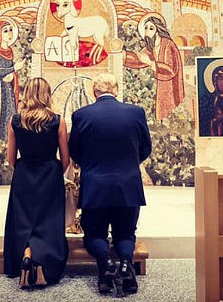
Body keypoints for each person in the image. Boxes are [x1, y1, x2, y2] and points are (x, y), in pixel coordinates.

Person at [69, 73, 152, 295]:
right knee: (125, 233)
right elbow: (145, 149)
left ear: (94, 92)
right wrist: (128, 166)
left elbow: (74, 151)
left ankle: (106, 265)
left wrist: (90, 166)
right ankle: (125, 265)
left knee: (94, 234)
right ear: (116, 90)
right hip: (128, 185)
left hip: (95, 186)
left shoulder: (81, 115)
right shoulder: (136, 113)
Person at [3, 77, 70, 288]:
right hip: (50, 174)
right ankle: (42, 263)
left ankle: (26, 254)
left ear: (27, 94)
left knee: (24, 221)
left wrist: (24, 170)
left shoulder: (15, 120)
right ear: (47, 94)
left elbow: (10, 158)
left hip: (24, 175)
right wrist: (56, 170)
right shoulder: (57, 120)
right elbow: (66, 158)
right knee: (48, 222)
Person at [125, 13, 185, 120]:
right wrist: (123, 56)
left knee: (169, 116)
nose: (147, 30)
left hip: (170, 88)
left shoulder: (168, 45)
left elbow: (171, 70)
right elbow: (139, 60)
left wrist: (151, 63)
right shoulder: (152, 47)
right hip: (160, 87)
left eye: (151, 28)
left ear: (158, 31)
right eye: (146, 28)